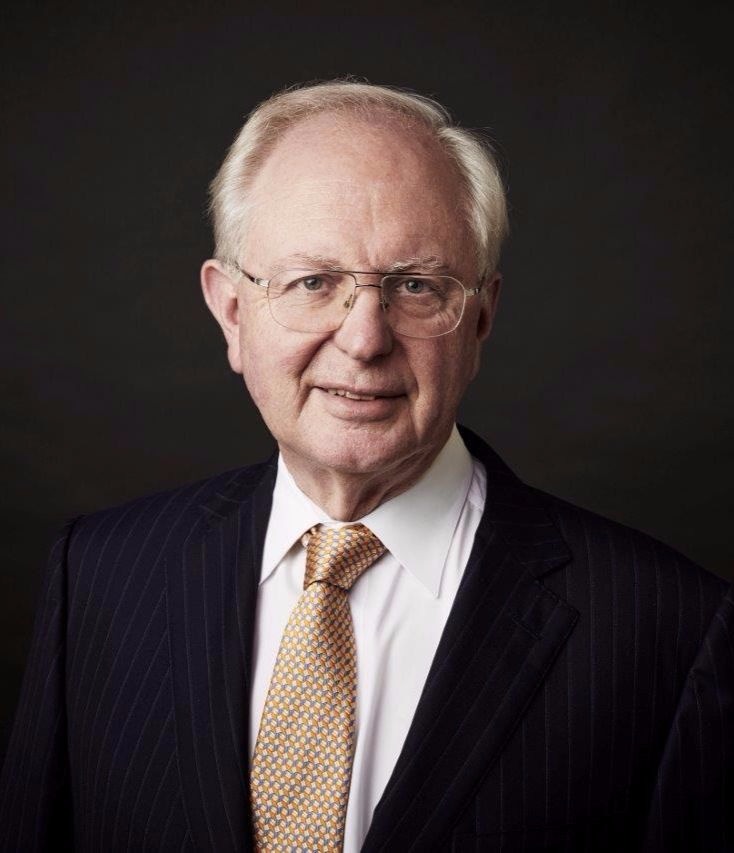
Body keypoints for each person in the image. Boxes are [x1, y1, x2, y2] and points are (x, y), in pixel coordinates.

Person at [0, 80, 732, 853]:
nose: (364, 339)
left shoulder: (672, 630)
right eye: (313, 282)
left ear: (481, 316)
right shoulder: (99, 577)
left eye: (416, 286)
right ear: (232, 312)